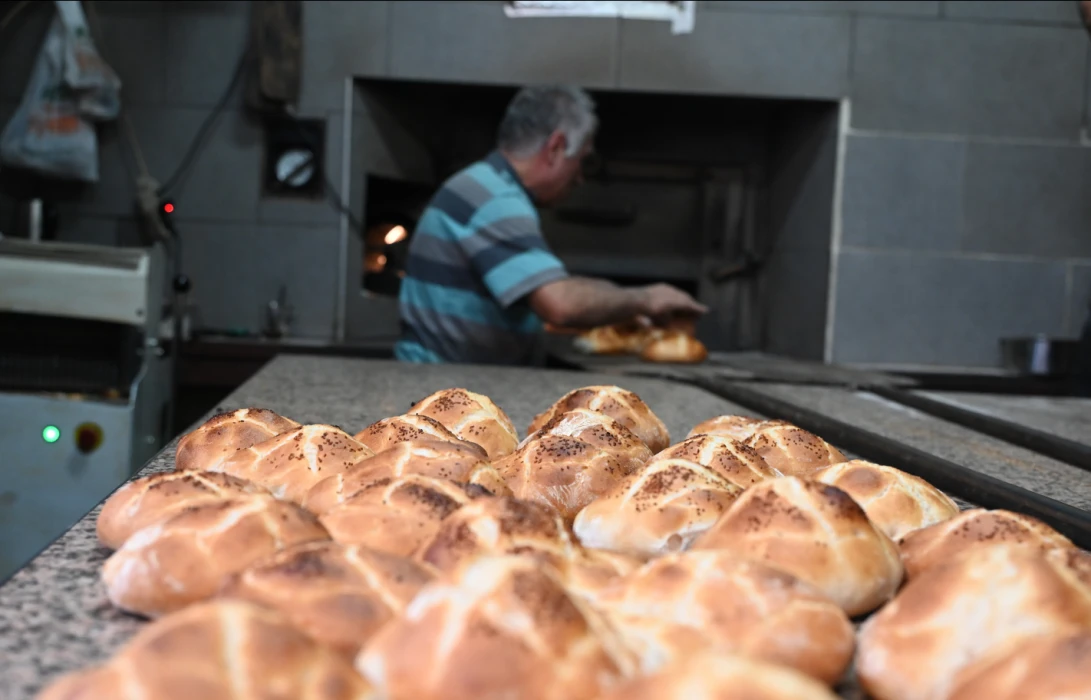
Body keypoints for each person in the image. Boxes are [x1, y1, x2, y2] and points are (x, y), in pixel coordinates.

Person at [394, 85, 707, 365]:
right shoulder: (493, 197)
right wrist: (648, 299)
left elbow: (554, 290)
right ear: (556, 147)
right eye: (582, 160)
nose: (580, 177)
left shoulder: (486, 184)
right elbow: (560, 304)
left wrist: (625, 304)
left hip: (449, 376)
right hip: (438, 386)